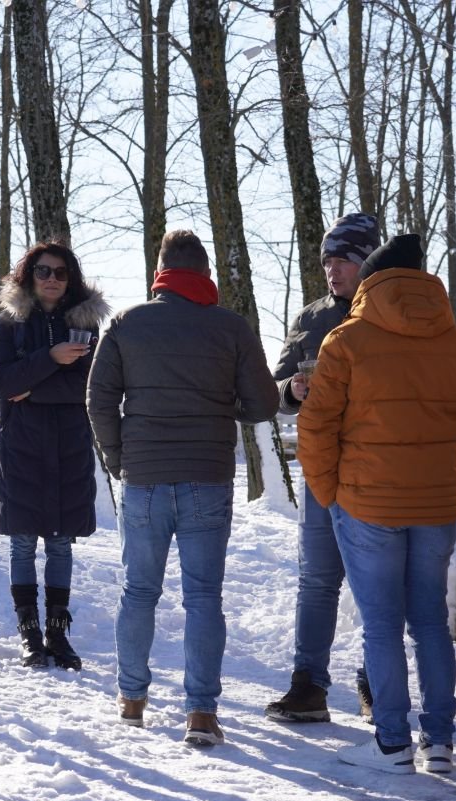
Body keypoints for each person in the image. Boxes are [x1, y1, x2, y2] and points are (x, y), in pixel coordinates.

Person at [298, 234, 456, 774]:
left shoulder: (345, 340)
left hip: (366, 503)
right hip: (435, 503)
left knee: (382, 626)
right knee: (431, 622)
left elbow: (315, 426)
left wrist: (329, 493)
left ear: (370, 281)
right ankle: (439, 742)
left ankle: (392, 742)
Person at [87, 230, 279, 746]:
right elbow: (262, 404)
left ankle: (131, 701)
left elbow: (99, 400)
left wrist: (118, 458)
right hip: (207, 476)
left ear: (161, 270)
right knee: (203, 597)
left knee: (138, 592)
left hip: (144, 478)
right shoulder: (230, 328)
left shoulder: (128, 323)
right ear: (206, 272)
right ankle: (200, 714)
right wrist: (221, 407)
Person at [264, 212, 381, 725]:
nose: (333, 271)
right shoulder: (310, 318)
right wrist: (292, 390)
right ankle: (308, 684)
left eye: (343, 261)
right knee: (316, 581)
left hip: (380, 467)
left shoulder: (389, 312)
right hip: (321, 469)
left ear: (366, 263)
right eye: (327, 261)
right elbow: (276, 388)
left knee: (377, 581)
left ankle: (378, 683)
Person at [0, 242, 109, 670]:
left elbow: (89, 389)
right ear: (28, 275)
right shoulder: (10, 325)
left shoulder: (87, 327)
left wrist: (32, 386)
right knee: (22, 544)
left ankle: (58, 633)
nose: (52, 279)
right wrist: (52, 358)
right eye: (43, 271)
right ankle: (29, 634)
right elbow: (2, 384)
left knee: (60, 544)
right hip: (21, 450)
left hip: (70, 449)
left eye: (60, 272)